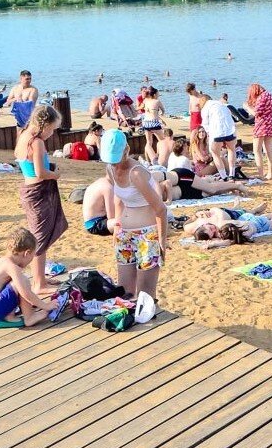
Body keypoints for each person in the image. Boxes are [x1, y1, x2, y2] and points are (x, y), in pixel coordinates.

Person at [100, 129, 166, 300]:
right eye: (110, 160)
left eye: (116, 159)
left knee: (145, 295)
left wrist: (161, 241)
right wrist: (116, 228)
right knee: (124, 293)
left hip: (147, 234)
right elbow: (118, 199)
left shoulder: (136, 173)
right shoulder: (110, 169)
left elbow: (160, 208)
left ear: (126, 150)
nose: (114, 164)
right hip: (124, 234)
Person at [14, 105, 67, 291]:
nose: (52, 134)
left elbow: (27, 163)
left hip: (30, 188)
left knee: (40, 236)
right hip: (38, 190)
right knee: (39, 238)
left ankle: (40, 278)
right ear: (43, 125)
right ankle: (39, 282)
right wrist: (55, 175)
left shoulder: (23, 135)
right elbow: (40, 172)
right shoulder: (36, 142)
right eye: (51, 129)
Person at [0, 227, 59, 326]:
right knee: (22, 282)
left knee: (19, 282)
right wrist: (46, 306)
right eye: (32, 256)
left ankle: (10, 314)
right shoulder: (12, 267)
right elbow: (25, 292)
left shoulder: (2, 262)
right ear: (27, 253)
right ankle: (29, 317)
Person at [187, 205, 272, 247]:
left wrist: (213, 244)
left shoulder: (221, 225)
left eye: (211, 228)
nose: (214, 230)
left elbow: (228, 241)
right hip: (246, 218)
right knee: (265, 216)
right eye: (213, 233)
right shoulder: (220, 226)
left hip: (254, 223)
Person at [201, 93, 237, 179]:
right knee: (231, 150)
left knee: (215, 153)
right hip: (229, 129)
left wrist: (209, 135)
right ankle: (232, 173)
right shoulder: (221, 104)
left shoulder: (206, 108)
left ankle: (223, 176)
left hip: (217, 132)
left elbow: (205, 124)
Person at [165, 166, 250, 202]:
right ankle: (230, 185)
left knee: (210, 189)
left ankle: (236, 185)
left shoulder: (154, 184)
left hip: (180, 179)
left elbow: (166, 183)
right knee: (208, 190)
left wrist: (168, 200)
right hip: (180, 186)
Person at [249, 83, 272, 180]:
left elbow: (256, 113)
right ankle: (270, 173)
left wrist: (246, 107)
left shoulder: (261, 97)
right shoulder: (270, 96)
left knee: (257, 151)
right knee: (269, 151)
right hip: (269, 125)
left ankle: (260, 174)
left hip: (261, 126)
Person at [140, 87, 166, 163]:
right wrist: (160, 116)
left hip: (146, 122)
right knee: (162, 141)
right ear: (154, 94)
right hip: (154, 122)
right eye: (158, 93)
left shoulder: (145, 100)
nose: (159, 95)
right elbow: (163, 111)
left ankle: (147, 160)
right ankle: (160, 157)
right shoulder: (157, 101)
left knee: (148, 143)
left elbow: (144, 108)